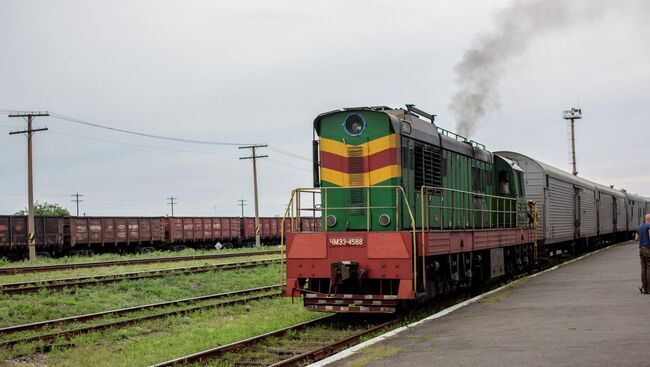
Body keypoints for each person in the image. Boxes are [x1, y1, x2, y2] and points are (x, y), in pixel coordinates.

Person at [634, 214, 650, 294]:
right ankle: (649, 288)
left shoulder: (639, 226)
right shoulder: (649, 226)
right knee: (649, 268)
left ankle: (644, 288)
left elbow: (636, 238)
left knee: (643, 268)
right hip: (648, 249)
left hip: (641, 249)